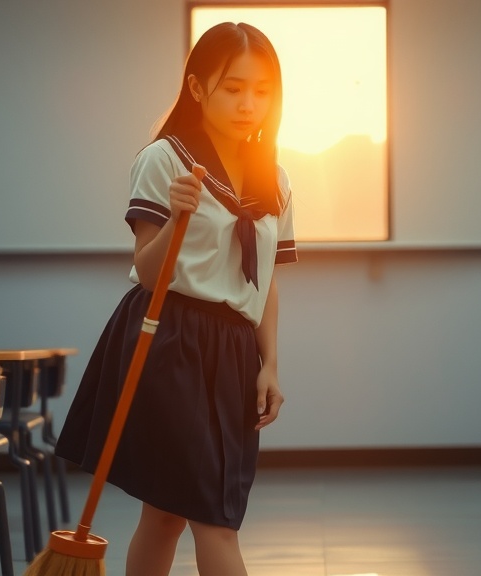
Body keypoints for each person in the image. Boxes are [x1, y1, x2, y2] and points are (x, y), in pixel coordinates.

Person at [55, 21, 296, 576]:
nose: (248, 104)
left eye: (262, 91)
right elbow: (147, 269)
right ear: (196, 88)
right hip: (167, 336)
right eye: (233, 88)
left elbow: (267, 283)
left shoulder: (276, 180)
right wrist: (178, 218)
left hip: (235, 347)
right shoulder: (165, 159)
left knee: (165, 513)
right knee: (214, 515)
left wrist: (271, 365)